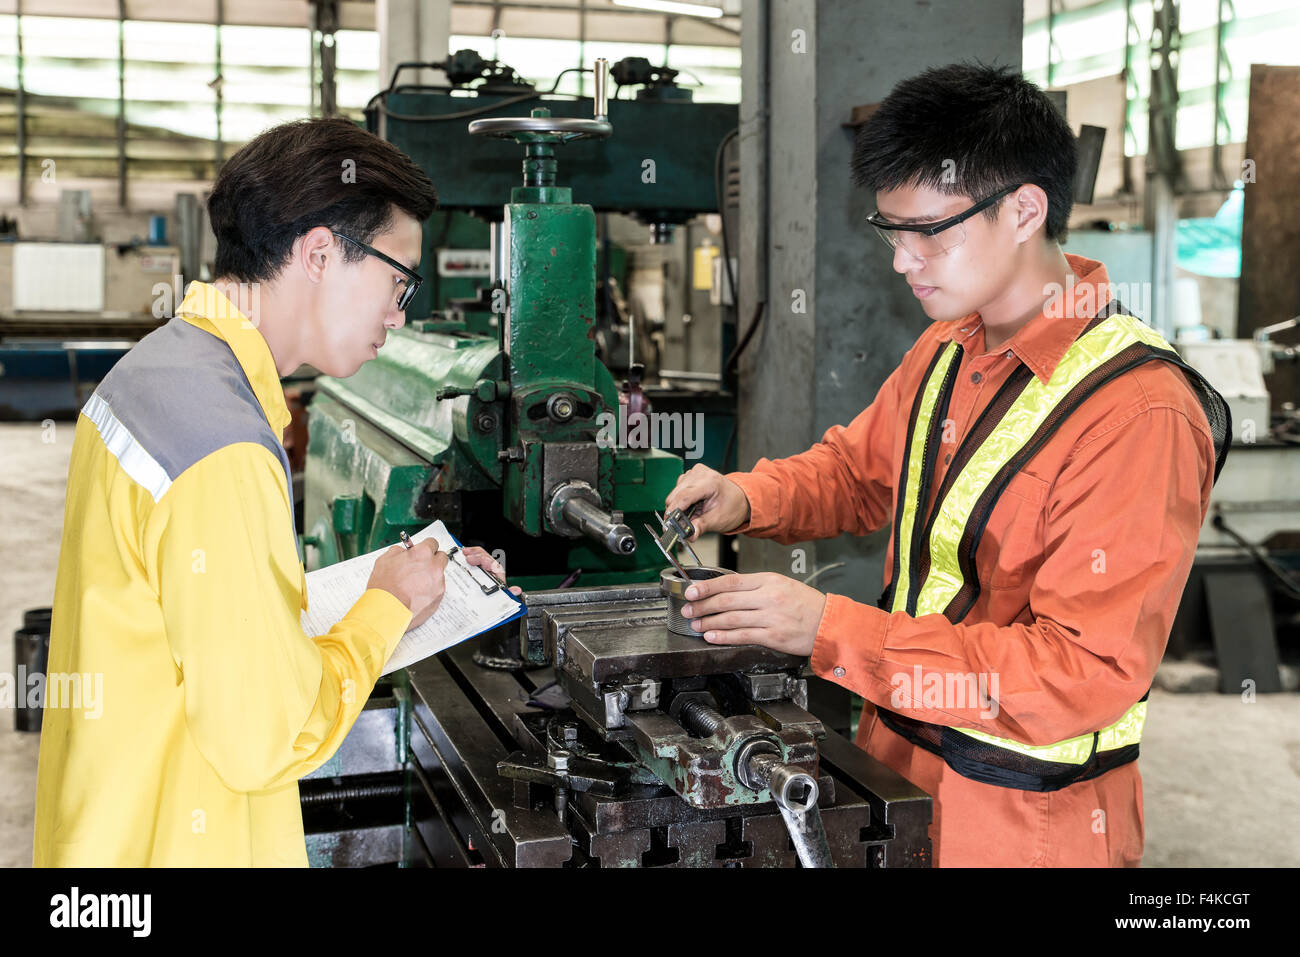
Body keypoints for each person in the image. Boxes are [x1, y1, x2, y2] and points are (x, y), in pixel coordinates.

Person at [664, 64, 1228, 867]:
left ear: (1026, 209)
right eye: (890, 229)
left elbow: (1082, 668)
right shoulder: (949, 345)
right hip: (891, 765)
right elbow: (861, 474)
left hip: (1021, 817)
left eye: (929, 229)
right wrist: (744, 496)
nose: (903, 259)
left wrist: (829, 629)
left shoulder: (1138, 412)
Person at [33, 117, 515, 866]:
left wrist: (381, 585)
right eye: (399, 279)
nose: (401, 312)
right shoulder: (223, 444)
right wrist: (386, 608)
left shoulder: (153, 372)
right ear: (320, 252)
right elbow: (265, 734)